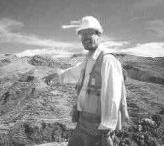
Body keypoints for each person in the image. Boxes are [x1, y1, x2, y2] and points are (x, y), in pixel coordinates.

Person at [52, 16, 130, 146]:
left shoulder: (108, 60)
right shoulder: (88, 60)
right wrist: (57, 75)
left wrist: (106, 130)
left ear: (98, 34)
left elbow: (113, 97)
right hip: (83, 123)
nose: (85, 38)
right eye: (82, 35)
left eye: (89, 33)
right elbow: (72, 72)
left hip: (99, 128)